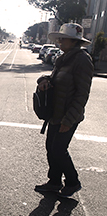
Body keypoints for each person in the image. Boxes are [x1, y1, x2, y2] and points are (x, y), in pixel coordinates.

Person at [34, 23, 93, 198]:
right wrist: (43, 80)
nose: (59, 41)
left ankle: (73, 182)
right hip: (55, 113)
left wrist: (69, 120)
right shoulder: (64, 57)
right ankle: (54, 182)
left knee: (59, 149)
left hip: (68, 116)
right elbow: (53, 77)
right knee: (51, 148)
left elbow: (82, 94)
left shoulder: (82, 59)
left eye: (63, 38)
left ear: (74, 41)